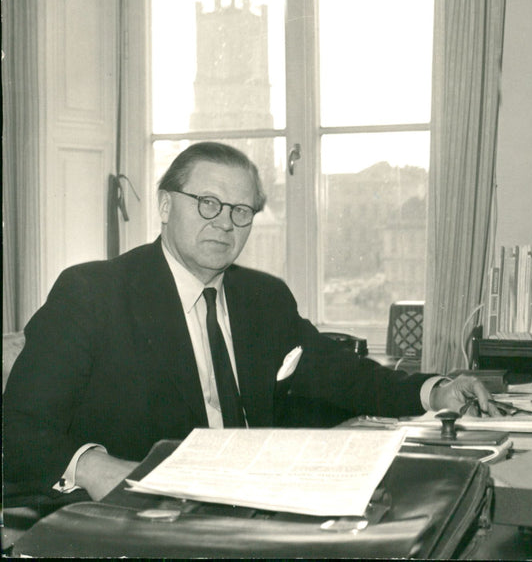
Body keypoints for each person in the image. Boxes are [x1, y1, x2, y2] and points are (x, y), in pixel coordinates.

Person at [3, 142, 496, 502]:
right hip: (147, 511)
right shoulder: (93, 292)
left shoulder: (264, 297)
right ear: (165, 205)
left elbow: (338, 372)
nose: (225, 223)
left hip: (252, 501)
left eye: (242, 211)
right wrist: (92, 466)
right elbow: (19, 422)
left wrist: (434, 390)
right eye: (209, 204)